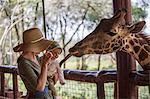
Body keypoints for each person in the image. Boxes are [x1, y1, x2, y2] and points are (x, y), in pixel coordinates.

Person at [13, 28, 58, 99]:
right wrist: (45, 64)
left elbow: (43, 77)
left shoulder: (36, 57)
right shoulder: (23, 63)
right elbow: (40, 88)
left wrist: (49, 62)